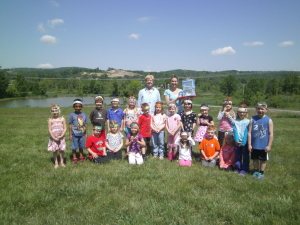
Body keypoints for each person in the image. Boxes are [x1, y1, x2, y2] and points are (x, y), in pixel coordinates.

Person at [248, 102, 274, 180]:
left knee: (263, 159)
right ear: (256, 109)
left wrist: (269, 145)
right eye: (258, 109)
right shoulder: (252, 119)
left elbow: (271, 134)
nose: (260, 110)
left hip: (263, 145)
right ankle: (255, 171)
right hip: (254, 144)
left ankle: (261, 173)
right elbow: (249, 133)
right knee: (255, 159)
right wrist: (249, 144)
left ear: (266, 110)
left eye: (262, 109)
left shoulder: (268, 120)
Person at [228, 104, 250, 175]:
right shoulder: (235, 121)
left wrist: (243, 142)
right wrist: (237, 140)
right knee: (238, 156)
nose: (242, 114)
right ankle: (238, 168)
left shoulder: (248, 122)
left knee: (245, 156)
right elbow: (235, 131)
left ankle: (245, 169)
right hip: (237, 142)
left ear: (246, 113)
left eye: (243, 112)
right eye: (240, 112)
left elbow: (247, 132)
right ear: (238, 113)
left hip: (245, 142)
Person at [68, 99, 88, 164]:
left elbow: (86, 125)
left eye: (79, 106)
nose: (78, 108)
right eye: (76, 106)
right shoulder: (72, 115)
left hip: (82, 134)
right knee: (74, 147)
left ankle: (81, 157)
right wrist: (70, 134)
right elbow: (70, 125)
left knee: (81, 146)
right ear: (74, 107)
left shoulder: (84, 115)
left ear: (82, 107)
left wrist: (86, 133)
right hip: (74, 134)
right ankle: (74, 158)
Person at [47, 104, 67, 168]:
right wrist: (53, 137)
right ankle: (56, 163)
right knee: (55, 150)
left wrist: (61, 136)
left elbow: (65, 128)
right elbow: (49, 130)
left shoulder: (62, 119)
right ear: (51, 112)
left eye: (56, 111)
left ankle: (62, 162)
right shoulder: (50, 120)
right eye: (53, 111)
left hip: (61, 137)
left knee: (61, 150)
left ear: (59, 111)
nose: (55, 112)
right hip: (53, 138)